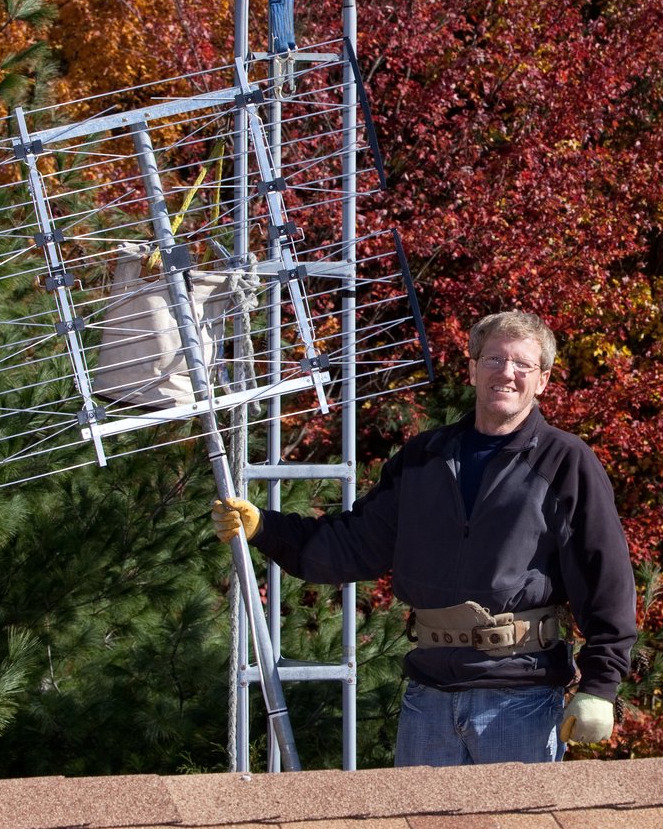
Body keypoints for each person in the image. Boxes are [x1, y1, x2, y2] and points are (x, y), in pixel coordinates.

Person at [212, 310, 637, 766]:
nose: (506, 373)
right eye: (493, 359)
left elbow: (605, 581)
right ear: (472, 369)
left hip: (522, 700)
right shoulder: (424, 458)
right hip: (428, 699)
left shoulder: (566, 462)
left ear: (544, 380)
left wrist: (599, 686)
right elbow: (355, 543)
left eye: (522, 365)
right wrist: (266, 529)